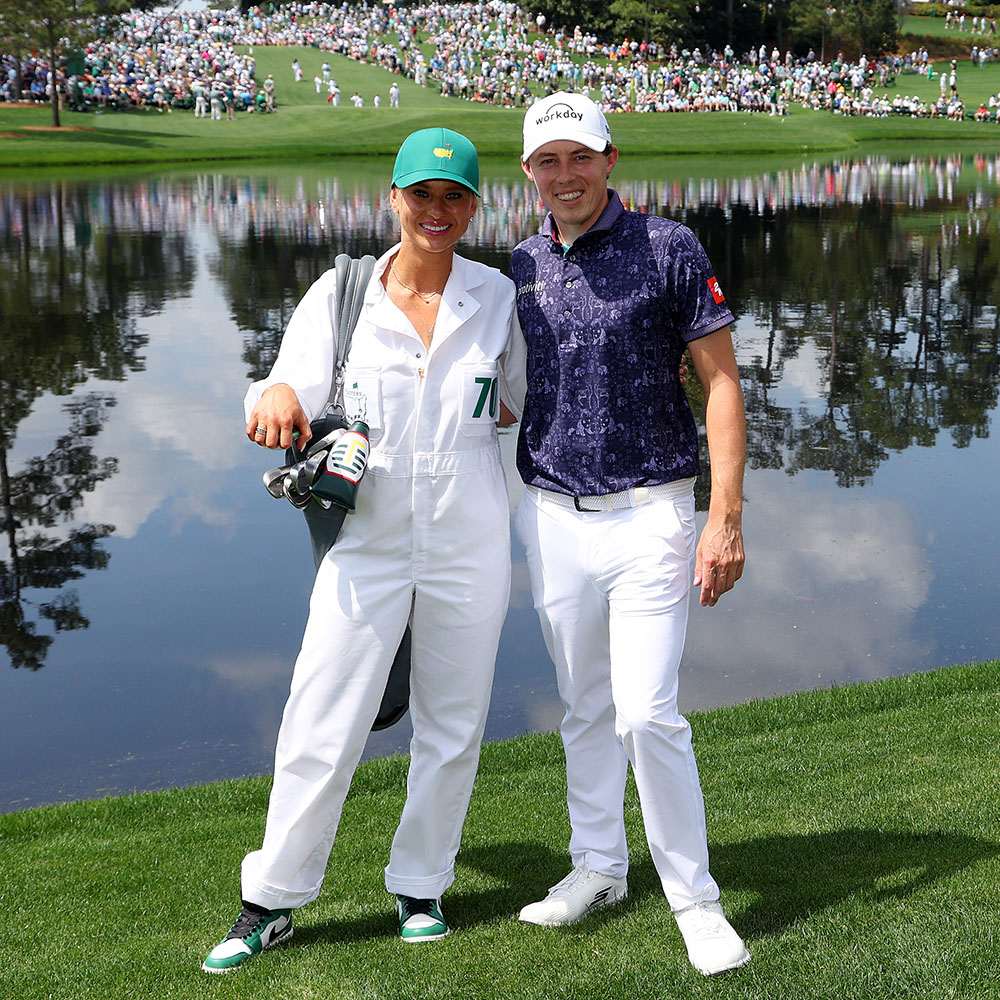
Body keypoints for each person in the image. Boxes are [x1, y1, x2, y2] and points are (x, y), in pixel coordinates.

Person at [202, 128, 525, 972]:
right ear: (394, 197)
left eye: (455, 197)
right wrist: (270, 395)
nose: (438, 211)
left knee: (453, 724)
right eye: (422, 194)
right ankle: (269, 902)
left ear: (474, 205)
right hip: (368, 540)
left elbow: (521, 404)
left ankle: (422, 885)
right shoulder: (342, 293)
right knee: (322, 717)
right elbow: (284, 389)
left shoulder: (498, 297)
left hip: (471, 535)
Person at [510, 91, 750, 977]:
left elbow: (721, 382)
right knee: (585, 709)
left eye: (580, 157)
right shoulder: (523, 261)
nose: (564, 175)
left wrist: (725, 515)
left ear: (611, 158)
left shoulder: (669, 247)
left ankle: (695, 897)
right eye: (547, 161)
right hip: (554, 516)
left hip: (654, 510)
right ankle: (599, 867)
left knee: (648, 712)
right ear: (529, 173)